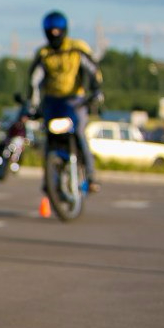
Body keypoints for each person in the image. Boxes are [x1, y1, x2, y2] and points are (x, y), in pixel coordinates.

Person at [27, 10, 103, 192]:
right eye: (51, 31)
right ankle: (49, 179)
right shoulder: (44, 54)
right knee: (50, 139)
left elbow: (93, 71)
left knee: (79, 134)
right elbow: (34, 82)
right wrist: (33, 105)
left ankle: (91, 176)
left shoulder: (76, 49)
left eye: (57, 31)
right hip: (52, 102)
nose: (54, 35)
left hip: (75, 101)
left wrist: (96, 92)